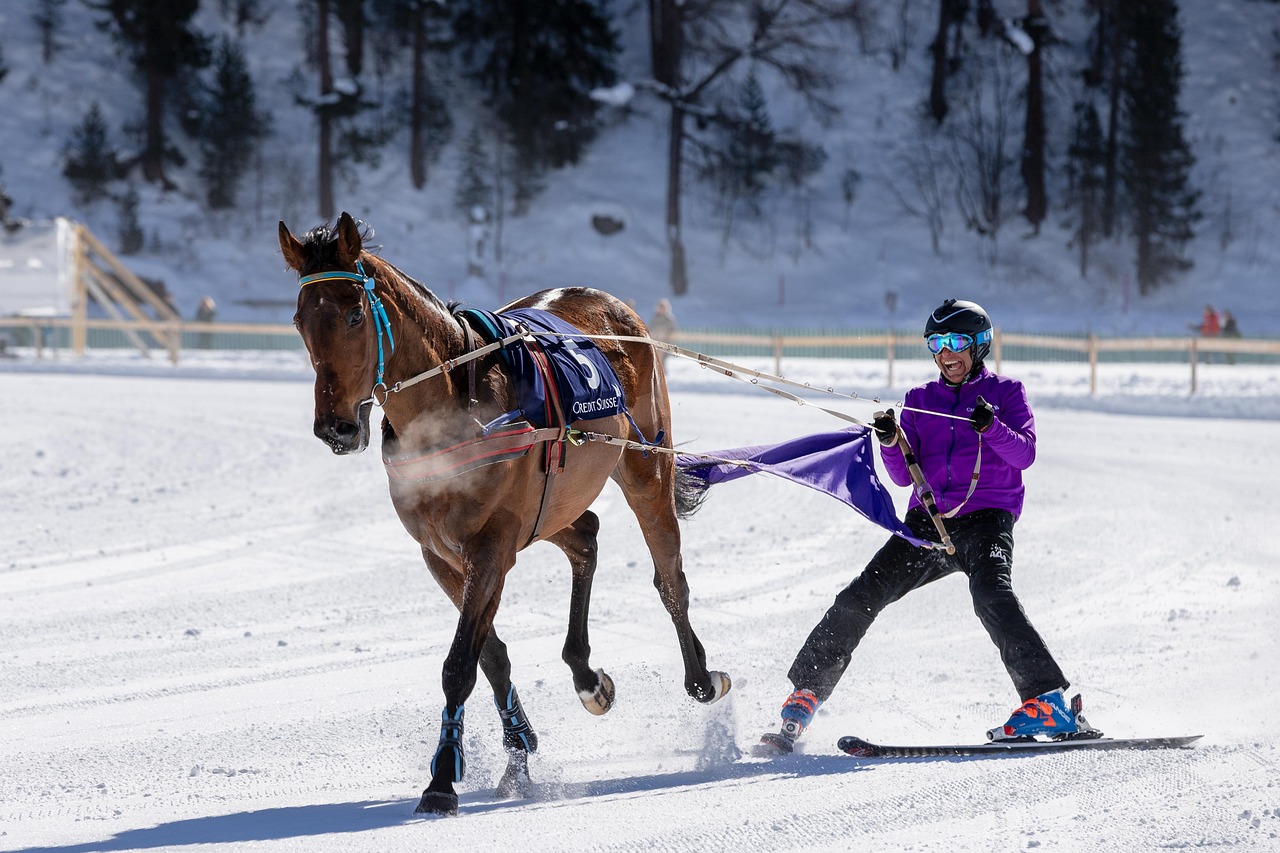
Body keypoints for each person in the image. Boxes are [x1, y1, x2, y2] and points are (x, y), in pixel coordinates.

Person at [764, 298, 1090, 752]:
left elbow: (1025, 455)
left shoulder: (1007, 392)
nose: (945, 353)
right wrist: (891, 442)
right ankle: (806, 692)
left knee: (992, 596)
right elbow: (901, 475)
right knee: (861, 595)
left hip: (986, 522)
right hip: (928, 523)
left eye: (955, 342)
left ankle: (1047, 700)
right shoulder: (919, 401)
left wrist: (992, 426)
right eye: (936, 343)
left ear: (979, 346)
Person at [647, 298, 678, 369]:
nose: (661, 309)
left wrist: (665, 334)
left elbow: (673, 331)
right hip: (655, 342)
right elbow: (650, 329)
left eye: (663, 307)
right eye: (660, 307)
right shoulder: (655, 318)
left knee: (662, 361)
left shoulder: (669, 319)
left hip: (665, 343)